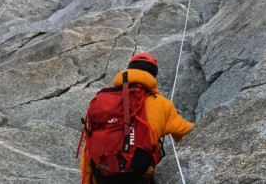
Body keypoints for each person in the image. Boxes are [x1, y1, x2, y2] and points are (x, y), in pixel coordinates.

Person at [80, 52, 194, 184]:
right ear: (153, 75)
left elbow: (89, 144)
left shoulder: (103, 99)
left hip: (102, 174)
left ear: (128, 70)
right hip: (140, 175)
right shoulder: (162, 103)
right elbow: (186, 134)